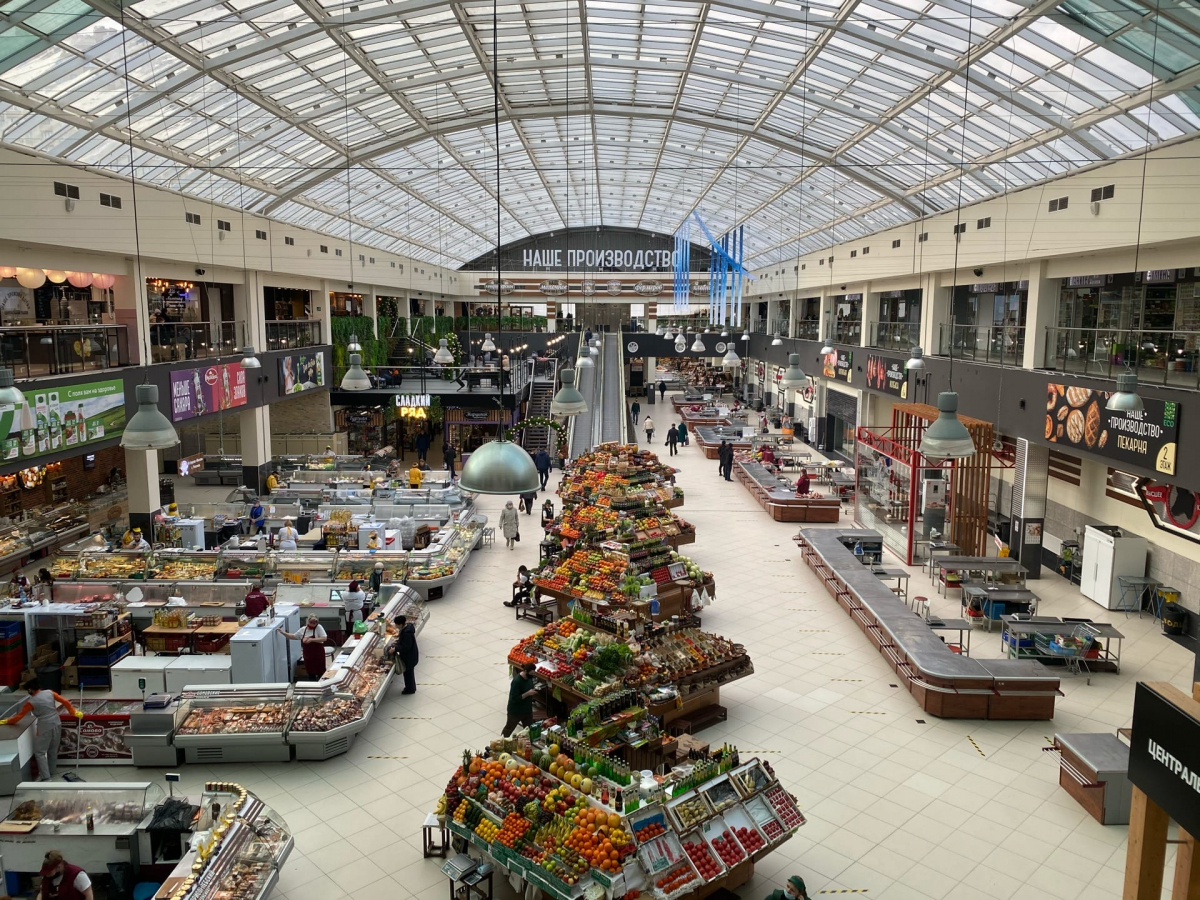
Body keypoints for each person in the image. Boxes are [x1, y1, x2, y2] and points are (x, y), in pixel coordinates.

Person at [0, 680, 82, 782]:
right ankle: (51, 771)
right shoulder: (50, 693)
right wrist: (74, 712)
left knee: (40, 752)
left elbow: (19, 717)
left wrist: (7, 721)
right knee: (53, 749)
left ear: (30, 689)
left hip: (44, 727)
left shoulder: (31, 702)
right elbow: (65, 702)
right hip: (57, 722)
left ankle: (46, 777)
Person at [502, 662, 540, 737]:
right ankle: (501, 741)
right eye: (531, 673)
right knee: (509, 728)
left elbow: (530, 687)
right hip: (515, 711)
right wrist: (528, 693)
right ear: (526, 671)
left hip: (527, 710)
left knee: (529, 729)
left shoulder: (529, 679)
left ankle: (529, 743)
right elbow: (514, 698)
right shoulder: (516, 682)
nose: (532, 676)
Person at [284, 615, 328, 680]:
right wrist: (283, 633)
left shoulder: (318, 627)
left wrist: (311, 640)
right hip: (308, 656)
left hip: (318, 655)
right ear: (308, 621)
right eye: (311, 623)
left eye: (314, 623)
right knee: (310, 673)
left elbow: (324, 638)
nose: (313, 625)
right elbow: (293, 636)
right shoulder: (303, 629)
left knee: (320, 672)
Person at [397, 610, 419, 694]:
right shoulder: (408, 629)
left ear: (400, 624)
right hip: (411, 656)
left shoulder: (406, 633)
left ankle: (409, 689)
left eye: (396, 625)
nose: (396, 626)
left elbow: (406, 647)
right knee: (409, 674)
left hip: (409, 657)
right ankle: (411, 687)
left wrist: (395, 648)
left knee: (408, 674)